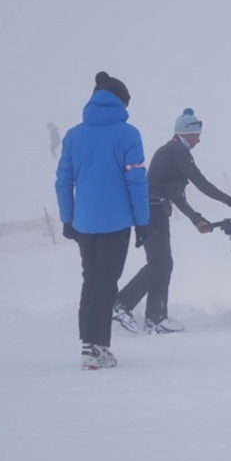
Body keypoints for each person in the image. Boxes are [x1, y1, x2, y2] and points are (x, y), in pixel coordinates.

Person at [114, 108, 231, 334]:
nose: (199, 139)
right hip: (153, 212)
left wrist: (196, 219)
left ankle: (155, 318)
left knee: (162, 264)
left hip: (154, 211)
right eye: (197, 134)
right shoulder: (178, 152)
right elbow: (202, 183)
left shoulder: (172, 152)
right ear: (186, 133)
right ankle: (124, 306)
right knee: (160, 264)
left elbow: (176, 195)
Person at [55, 71, 150, 370]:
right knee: (107, 282)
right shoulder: (128, 134)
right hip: (116, 223)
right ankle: (95, 348)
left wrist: (68, 219)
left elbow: (63, 181)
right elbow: (136, 181)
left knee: (91, 279)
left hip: (84, 223)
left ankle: (89, 342)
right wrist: (142, 222)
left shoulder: (74, 135)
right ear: (120, 102)